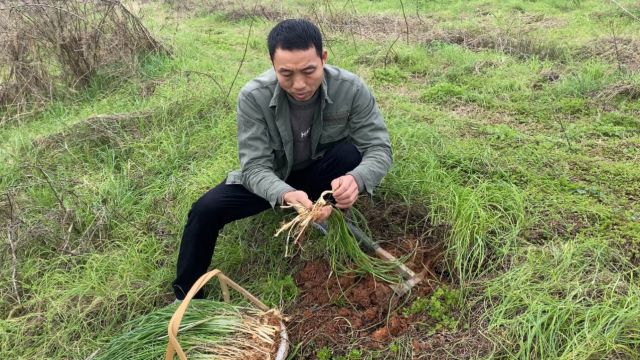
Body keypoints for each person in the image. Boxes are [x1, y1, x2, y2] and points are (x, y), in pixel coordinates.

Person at [172, 19, 392, 299]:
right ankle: (185, 297)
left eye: (309, 71)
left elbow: (379, 148)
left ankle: (328, 207)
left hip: (320, 173)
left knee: (350, 154)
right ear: (272, 64)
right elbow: (254, 167)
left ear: (323, 58)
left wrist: (356, 180)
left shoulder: (350, 89)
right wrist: (285, 193)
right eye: (286, 74)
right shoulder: (254, 97)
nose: (299, 84)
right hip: (273, 179)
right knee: (206, 210)